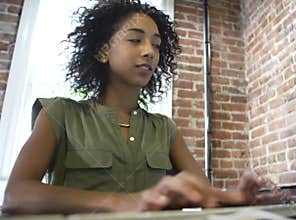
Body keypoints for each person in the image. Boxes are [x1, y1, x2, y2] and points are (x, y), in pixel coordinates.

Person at [2, 0, 280, 214]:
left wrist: (234, 197)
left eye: (156, 46)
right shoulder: (60, 114)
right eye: (135, 40)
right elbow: (16, 196)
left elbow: (204, 195)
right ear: (102, 51)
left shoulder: (164, 128)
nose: (149, 51)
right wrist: (123, 201)